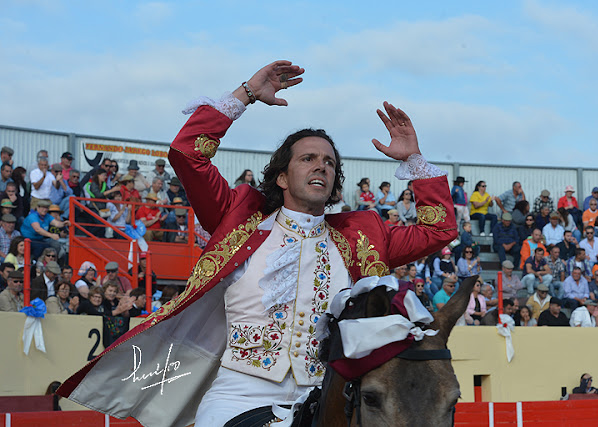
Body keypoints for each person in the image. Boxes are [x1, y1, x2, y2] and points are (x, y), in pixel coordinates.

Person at [59, 60, 458, 427]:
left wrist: (414, 160)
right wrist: (245, 94)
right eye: (308, 158)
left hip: (324, 396)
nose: (321, 165)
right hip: (238, 393)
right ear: (281, 177)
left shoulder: (360, 237)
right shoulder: (240, 217)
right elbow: (187, 153)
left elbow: (439, 230)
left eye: (329, 162)